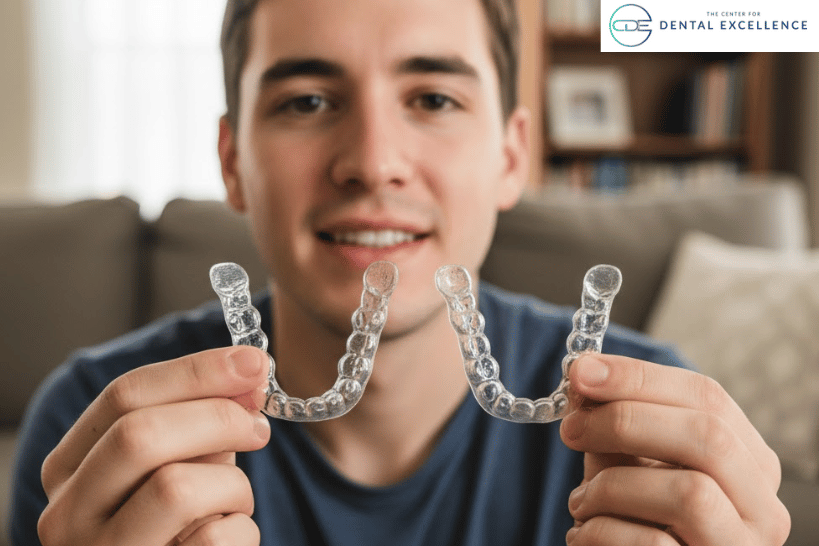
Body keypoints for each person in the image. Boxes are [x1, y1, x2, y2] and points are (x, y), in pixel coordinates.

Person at [9, 0, 790, 544]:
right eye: (306, 101)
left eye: (433, 98)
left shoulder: (653, 436)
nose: (374, 161)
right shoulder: (95, 433)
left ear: (510, 156)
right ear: (232, 161)